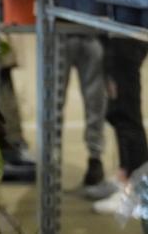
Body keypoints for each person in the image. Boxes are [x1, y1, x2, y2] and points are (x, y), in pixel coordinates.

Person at [93, 38, 148, 214]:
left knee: (126, 114)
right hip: (119, 37)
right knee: (119, 113)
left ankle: (134, 191)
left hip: (127, 37)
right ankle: (125, 177)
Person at [62, 35, 114, 200]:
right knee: (52, 103)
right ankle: (51, 165)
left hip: (90, 33)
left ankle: (95, 161)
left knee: (95, 101)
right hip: (58, 32)